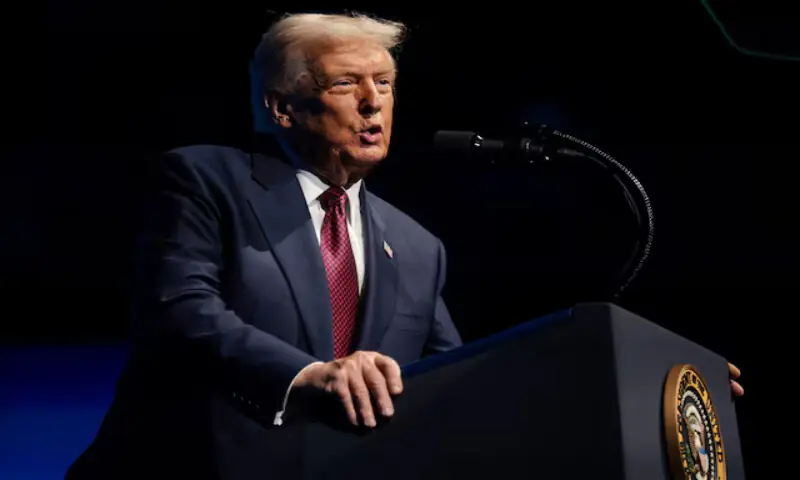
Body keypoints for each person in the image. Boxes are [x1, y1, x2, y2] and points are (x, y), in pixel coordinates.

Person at [65, 12, 461, 480]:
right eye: (344, 84)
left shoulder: (418, 246)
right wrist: (309, 374)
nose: (372, 102)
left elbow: (451, 380)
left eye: (384, 83)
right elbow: (180, 310)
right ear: (282, 108)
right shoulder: (208, 181)